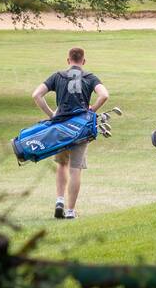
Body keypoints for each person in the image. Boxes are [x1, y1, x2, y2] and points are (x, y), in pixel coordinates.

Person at [31, 47, 108, 220]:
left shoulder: (57, 76)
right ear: (84, 61)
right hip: (81, 128)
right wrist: (92, 110)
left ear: (68, 61)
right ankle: (71, 211)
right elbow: (104, 95)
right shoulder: (90, 77)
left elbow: (36, 95)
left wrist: (51, 115)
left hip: (60, 127)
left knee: (61, 164)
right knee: (75, 169)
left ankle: (59, 200)